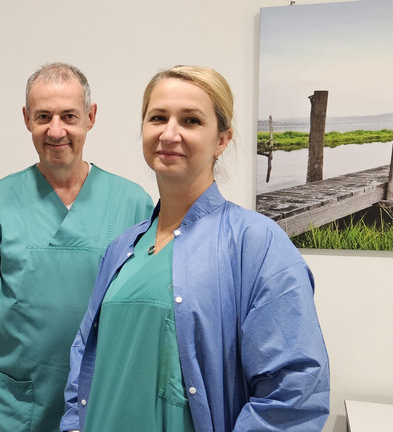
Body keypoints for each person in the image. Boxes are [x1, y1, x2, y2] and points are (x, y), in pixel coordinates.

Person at [61, 65, 330, 432]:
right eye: (158, 117)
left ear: (222, 140)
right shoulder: (123, 247)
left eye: (190, 120)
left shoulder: (256, 243)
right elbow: (85, 351)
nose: (169, 133)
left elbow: (294, 393)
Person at [0, 63, 154, 432]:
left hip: (104, 404)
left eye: (69, 116)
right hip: (14, 409)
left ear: (90, 117)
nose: (55, 130)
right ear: (27, 119)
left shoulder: (132, 203)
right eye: (43, 116)